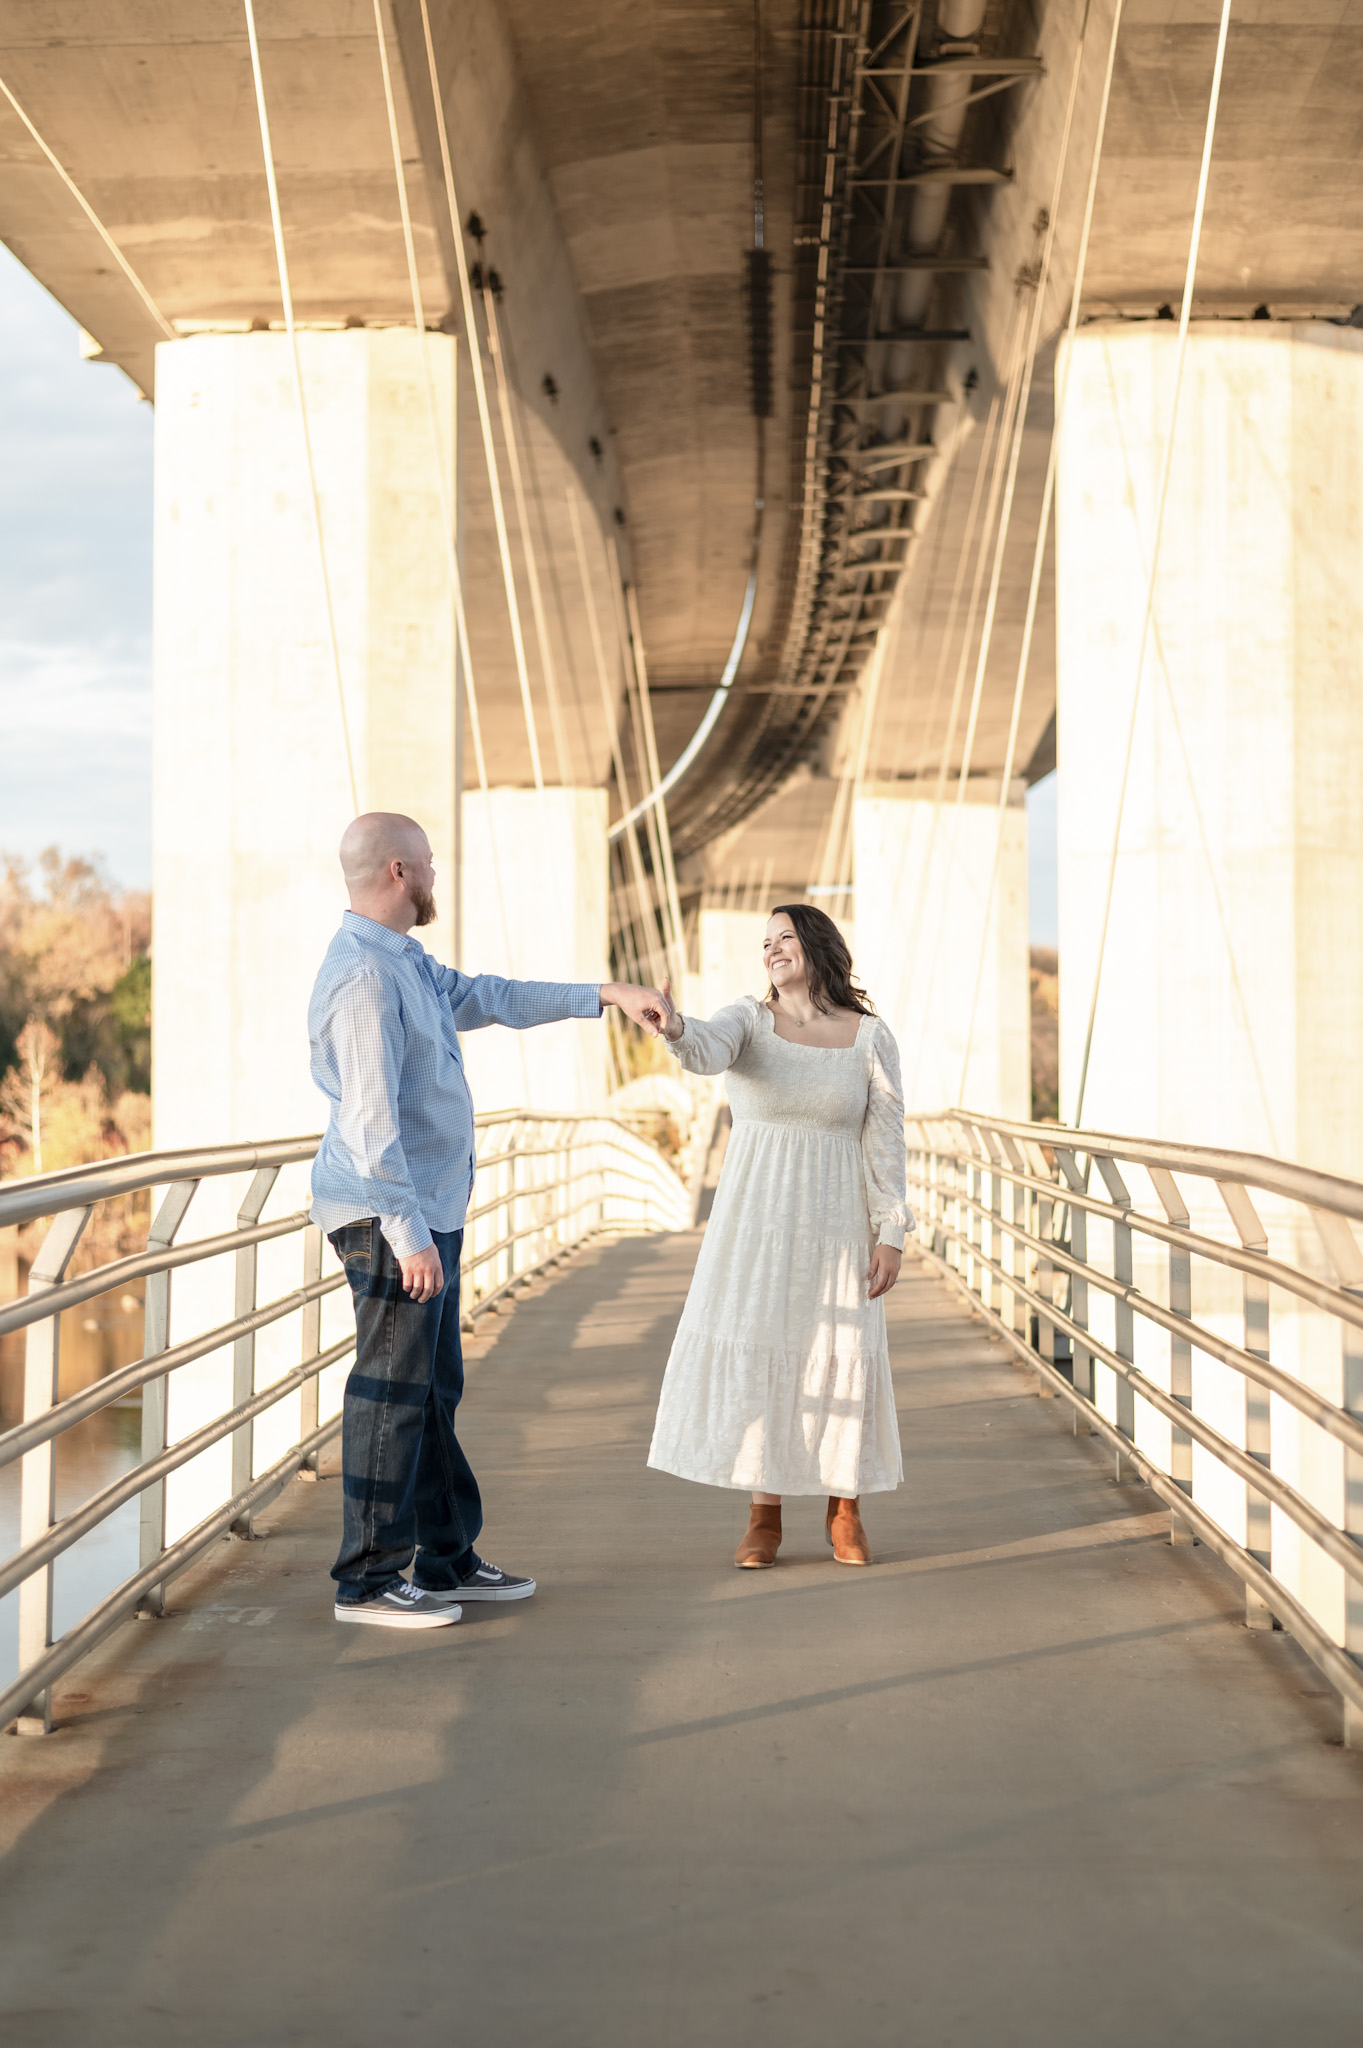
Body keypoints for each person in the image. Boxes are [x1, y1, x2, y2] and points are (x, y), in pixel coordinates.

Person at [309, 811, 667, 1628]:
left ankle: (445, 1562)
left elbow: (488, 997)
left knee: (433, 1390)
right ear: (399, 872)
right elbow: (369, 1124)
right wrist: (406, 1237)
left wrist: (606, 995)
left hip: (425, 1207)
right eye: (428, 863)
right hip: (387, 1214)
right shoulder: (363, 976)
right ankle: (365, 1583)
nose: (436, 875)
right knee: (391, 1391)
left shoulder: (403, 962)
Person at [646, 903, 913, 1568]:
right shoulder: (748, 1020)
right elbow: (703, 1049)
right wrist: (674, 1025)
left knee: (837, 1348)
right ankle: (763, 1516)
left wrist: (891, 1233)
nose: (770, 950)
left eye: (783, 937)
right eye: (764, 942)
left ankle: (843, 1507)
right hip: (755, 1225)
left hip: (837, 1223)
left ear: (816, 944)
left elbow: (885, 1144)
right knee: (767, 1351)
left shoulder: (868, 1038)